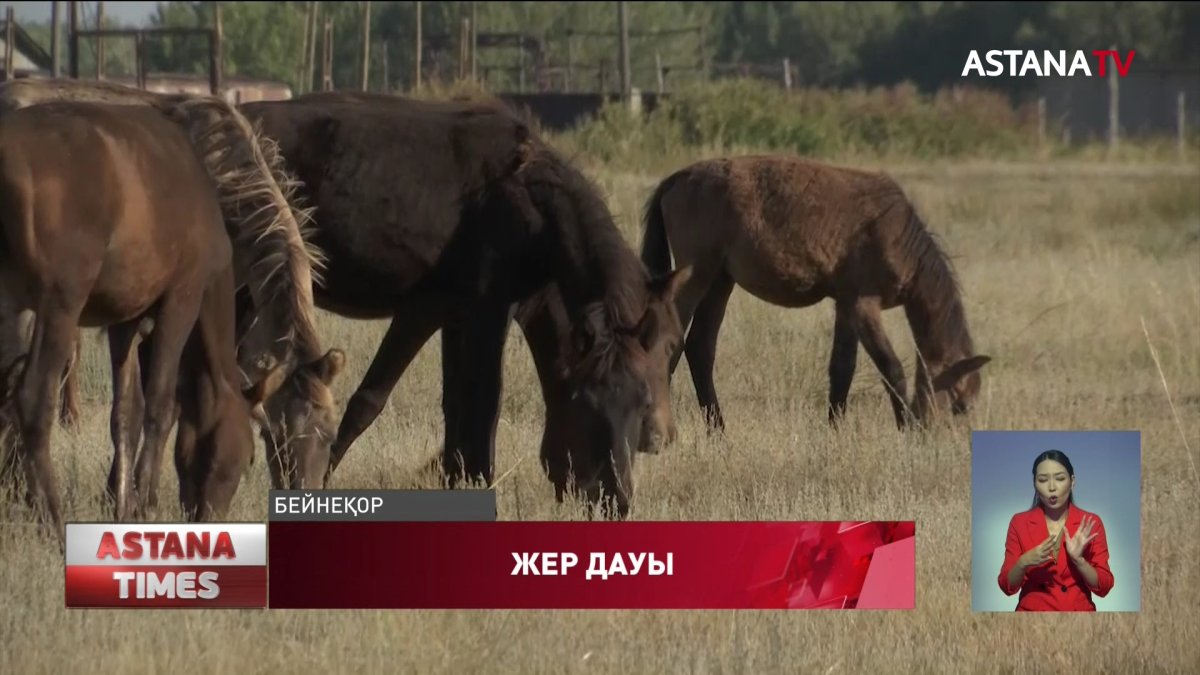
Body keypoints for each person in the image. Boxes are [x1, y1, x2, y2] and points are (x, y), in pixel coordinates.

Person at [997, 449, 1115, 611]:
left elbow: (1105, 586)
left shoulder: (1090, 522)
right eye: (1043, 480)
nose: (1052, 487)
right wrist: (1023, 562)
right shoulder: (1019, 522)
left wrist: (1079, 561)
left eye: (1060, 478)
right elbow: (1006, 586)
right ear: (1034, 484)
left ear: (1072, 481)